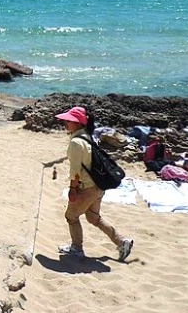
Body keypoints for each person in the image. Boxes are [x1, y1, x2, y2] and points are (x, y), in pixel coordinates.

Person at [56, 106, 134, 262]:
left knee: (71, 216)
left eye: (69, 121)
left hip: (87, 188)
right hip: (98, 186)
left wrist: (72, 189)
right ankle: (122, 242)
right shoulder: (88, 137)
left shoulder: (77, 142)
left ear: (78, 123)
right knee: (94, 218)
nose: (66, 123)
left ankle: (77, 249)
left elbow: (75, 171)